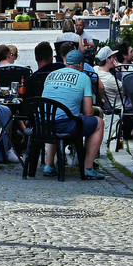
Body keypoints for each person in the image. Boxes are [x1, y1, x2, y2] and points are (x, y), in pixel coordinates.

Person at [39, 49, 106, 179]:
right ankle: (87, 167)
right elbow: (88, 112)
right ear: (81, 65)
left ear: (66, 62)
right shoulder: (83, 77)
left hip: (44, 124)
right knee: (99, 123)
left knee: (54, 116)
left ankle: (49, 165)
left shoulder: (51, 74)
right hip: (65, 125)